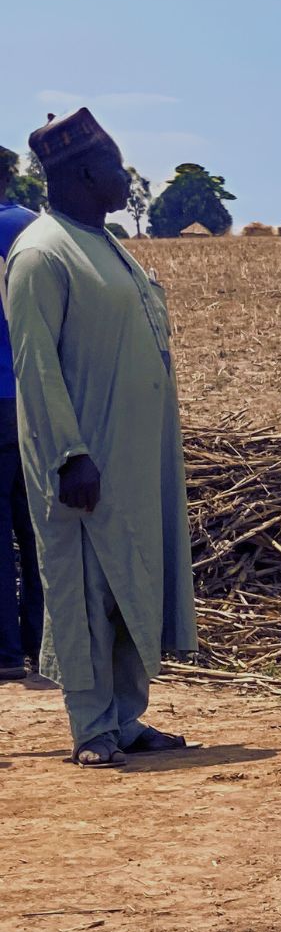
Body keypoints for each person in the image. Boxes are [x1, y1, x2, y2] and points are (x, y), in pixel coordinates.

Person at [4, 109, 196, 764]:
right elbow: (35, 363)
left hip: (134, 460)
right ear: (86, 173)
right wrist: (70, 455)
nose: (124, 177)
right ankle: (92, 727)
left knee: (127, 584)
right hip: (82, 461)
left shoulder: (106, 243)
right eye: (116, 166)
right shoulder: (40, 253)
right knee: (84, 588)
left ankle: (126, 716)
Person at [0, 162, 40, 680]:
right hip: (32, 397)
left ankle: (5, 654)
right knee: (38, 532)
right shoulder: (35, 228)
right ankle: (45, 647)